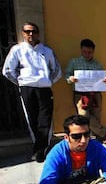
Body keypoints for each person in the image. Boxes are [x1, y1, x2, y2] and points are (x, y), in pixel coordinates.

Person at [2, 21, 62, 162]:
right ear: (22, 33)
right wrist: (21, 82)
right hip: (27, 88)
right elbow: (8, 70)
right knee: (32, 119)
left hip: (44, 89)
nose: (31, 34)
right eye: (27, 31)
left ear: (38, 33)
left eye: (34, 31)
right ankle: (38, 148)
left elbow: (56, 70)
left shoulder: (46, 51)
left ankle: (41, 150)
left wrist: (48, 81)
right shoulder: (17, 50)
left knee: (45, 119)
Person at [65, 39, 106, 143]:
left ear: (93, 51)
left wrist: (104, 80)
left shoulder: (97, 64)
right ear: (81, 50)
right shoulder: (74, 62)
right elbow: (67, 74)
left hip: (95, 94)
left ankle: (97, 137)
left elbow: (102, 78)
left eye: (90, 52)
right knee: (83, 116)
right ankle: (102, 133)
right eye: (85, 52)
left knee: (96, 116)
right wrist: (71, 79)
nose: (87, 54)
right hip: (80, 95)